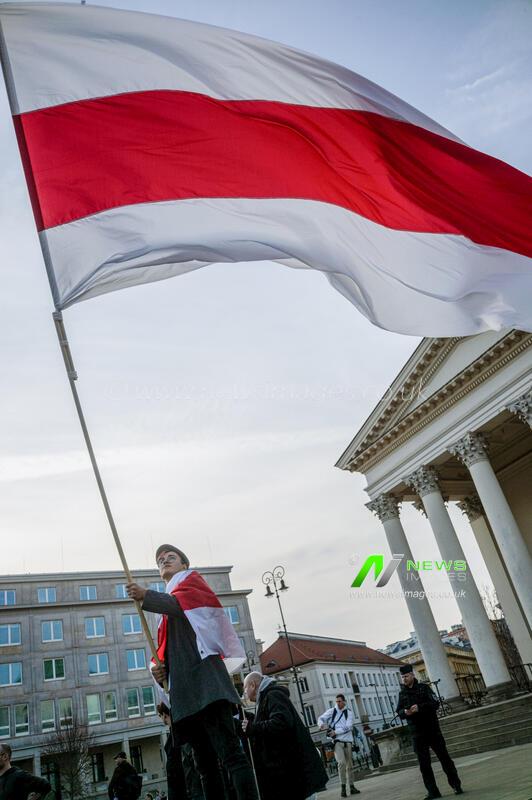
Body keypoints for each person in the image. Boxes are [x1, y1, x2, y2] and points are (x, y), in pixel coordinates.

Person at [127, 545, 258, 800]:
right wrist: (161, 671)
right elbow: (167, 648)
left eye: (170, 557)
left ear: (184, 564)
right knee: (204, 766)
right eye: (160, 560)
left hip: (208, 686)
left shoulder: (192, 583)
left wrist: (146, 596)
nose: (164, 560)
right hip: (186, 695)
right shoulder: (165, 608)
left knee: (231, 754)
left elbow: (179, 605)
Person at [242, 671, 328, 800]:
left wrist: (253, 728)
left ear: (253, 685)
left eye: (245, 687)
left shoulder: (273, 695)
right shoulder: (267, 697)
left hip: (293, 771)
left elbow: (281, 722)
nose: (244, 692)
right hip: (289, 771)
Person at [396, 665, 463, 799]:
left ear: (412, 675)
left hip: (432, 730)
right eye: (402, 677)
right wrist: (405, 712)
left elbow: (435, 703)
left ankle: (456, 785)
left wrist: (419, 707)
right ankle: (433, 791)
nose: (404, 679)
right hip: (417, 733)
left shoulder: (424, 688)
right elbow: (398, 711)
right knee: (424, 765)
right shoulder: (402, 694)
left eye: (406, 676)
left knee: (445, 759)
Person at [157, 701, 204, 800]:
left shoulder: (179, 732)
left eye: (160, 715)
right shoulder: (175, 732)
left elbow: (188, 759)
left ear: (164, 715)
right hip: (185, 784)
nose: (162, 719)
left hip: (187, 785)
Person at [318, 693, 360, 797]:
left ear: (344, 701)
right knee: (341, 763)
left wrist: (335, 732)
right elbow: (321, 718)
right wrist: (321, 724)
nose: (338, 703)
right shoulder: (332, 711)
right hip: (337, 743)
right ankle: (343, 788)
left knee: (349, 765)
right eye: (336, 701)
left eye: (340, 701)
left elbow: (349, 727)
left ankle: (352, 786)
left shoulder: (349, 713)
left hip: (348, 742)